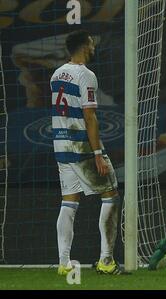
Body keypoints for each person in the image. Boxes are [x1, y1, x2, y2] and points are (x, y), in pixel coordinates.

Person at [51, 30, 121, 275]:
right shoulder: (86, 75)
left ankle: (63, 263)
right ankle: (106, 260)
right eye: (91, 43)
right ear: (83, 47)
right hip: (80, 145)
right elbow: (89, 116)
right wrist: (98, 153)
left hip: (60, 144)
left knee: (69, 201)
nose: (93, 47)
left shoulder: (57, 73)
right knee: (111, 194)